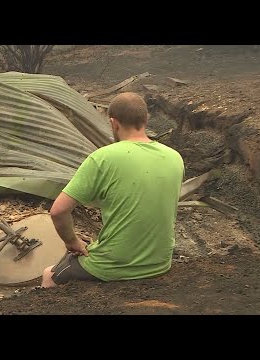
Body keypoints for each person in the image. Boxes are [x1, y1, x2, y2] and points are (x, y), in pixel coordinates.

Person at [41, 92, 184, 288]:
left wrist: (72, 242)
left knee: (49, 274)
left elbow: (58, 211)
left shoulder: (103, 158)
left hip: (112, 265)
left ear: (113, 123)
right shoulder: (175, 157)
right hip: (159, 263)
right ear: (146, 119)